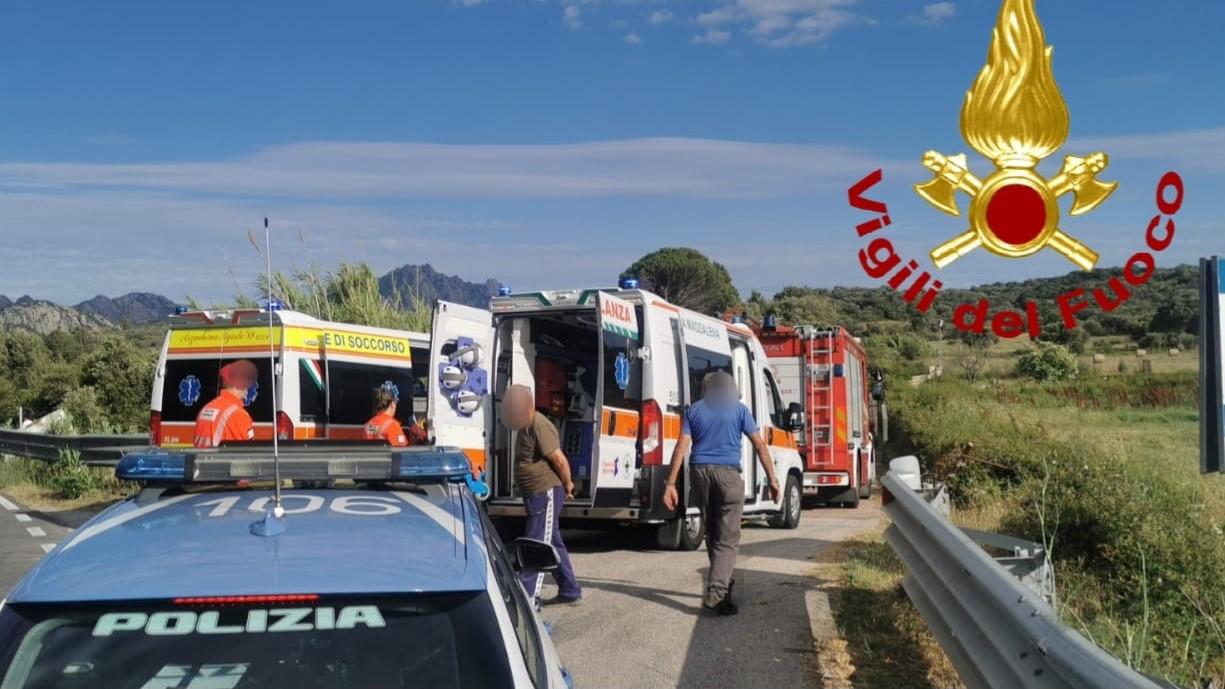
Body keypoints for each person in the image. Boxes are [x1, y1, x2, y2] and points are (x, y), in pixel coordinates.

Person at [663, 371, 781, 616]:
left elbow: (680, 448)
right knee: (728, 538)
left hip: (700, 474)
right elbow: (759, 445)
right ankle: (717, 591)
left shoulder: (694, 410)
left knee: (713, 533)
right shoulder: (739, 410)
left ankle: (723, 591)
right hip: (728, 475)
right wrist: (773, 480)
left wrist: (670, 484)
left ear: (706, 389)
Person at [502, 384, 582, 605]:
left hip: (544, 492)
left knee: (536, 543)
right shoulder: (525, 425)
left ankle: (528, 597)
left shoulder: (539, 425)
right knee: (552, 542)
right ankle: (570, 590)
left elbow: (559, 460)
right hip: (535, 494)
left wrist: (568, 486)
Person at [193, 360, 258, 448]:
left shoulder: (205, 409)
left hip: (201, 461)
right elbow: (249, 452)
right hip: (221, 461)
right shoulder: (238, 414)